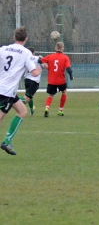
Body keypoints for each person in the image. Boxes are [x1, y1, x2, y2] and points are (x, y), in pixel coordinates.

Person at [0, 27, 42, 155]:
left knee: (22, 111)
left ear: (14, 37)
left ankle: (7, 142)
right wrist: (41, 68)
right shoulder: (25, 53)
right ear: (26, 39)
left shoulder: (3, 49)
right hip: (5, 92)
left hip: (9, 91)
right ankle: (6, 142)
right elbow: (34, 73)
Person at [38, 42, 73, 117]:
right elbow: (68, 69)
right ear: (63, 49)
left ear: (55, 48)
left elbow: (40, 61)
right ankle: (60, 110)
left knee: (50, 95)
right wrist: (71, 76)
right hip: (61, 80)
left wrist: (40, 58)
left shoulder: (50, 56)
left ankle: (47, 108)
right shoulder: (65, 57)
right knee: (64, 92)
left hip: (52, 80)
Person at [19, 47, 46, 116]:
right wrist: (43, 59)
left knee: (30, 96)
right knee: (25, 100)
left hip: (27, 80)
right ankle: (9, 99)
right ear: (33, 53)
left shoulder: (25, 59)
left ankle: (32, 110)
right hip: (34, 81)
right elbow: (45, 66)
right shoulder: (36, 58)